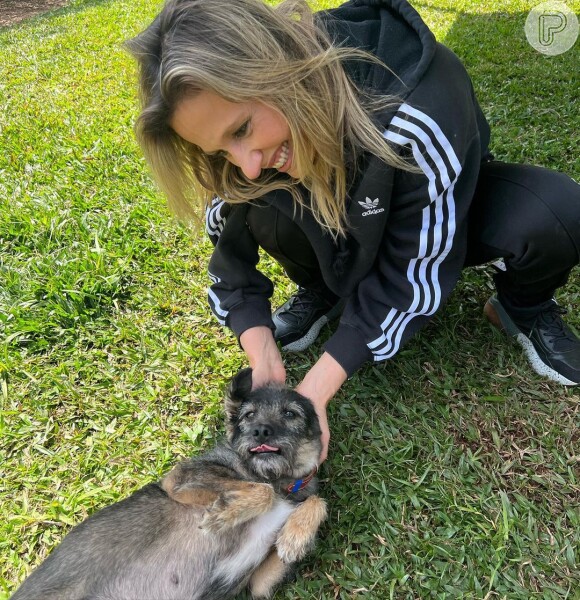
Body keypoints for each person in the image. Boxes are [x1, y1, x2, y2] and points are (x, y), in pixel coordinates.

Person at [126, 0, 580, 462]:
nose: (246, 164)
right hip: (341, 220)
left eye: (242, 129)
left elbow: (413, 275)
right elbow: (230, 253)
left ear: (274, 70)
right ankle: (323, 290)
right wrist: (261, 352)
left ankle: (523, 307)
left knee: (557, 211)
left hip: (441, 211)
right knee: (256, 203)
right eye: (221, 151)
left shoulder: (416, 102)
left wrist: (316, 392)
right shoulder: (249, 160)